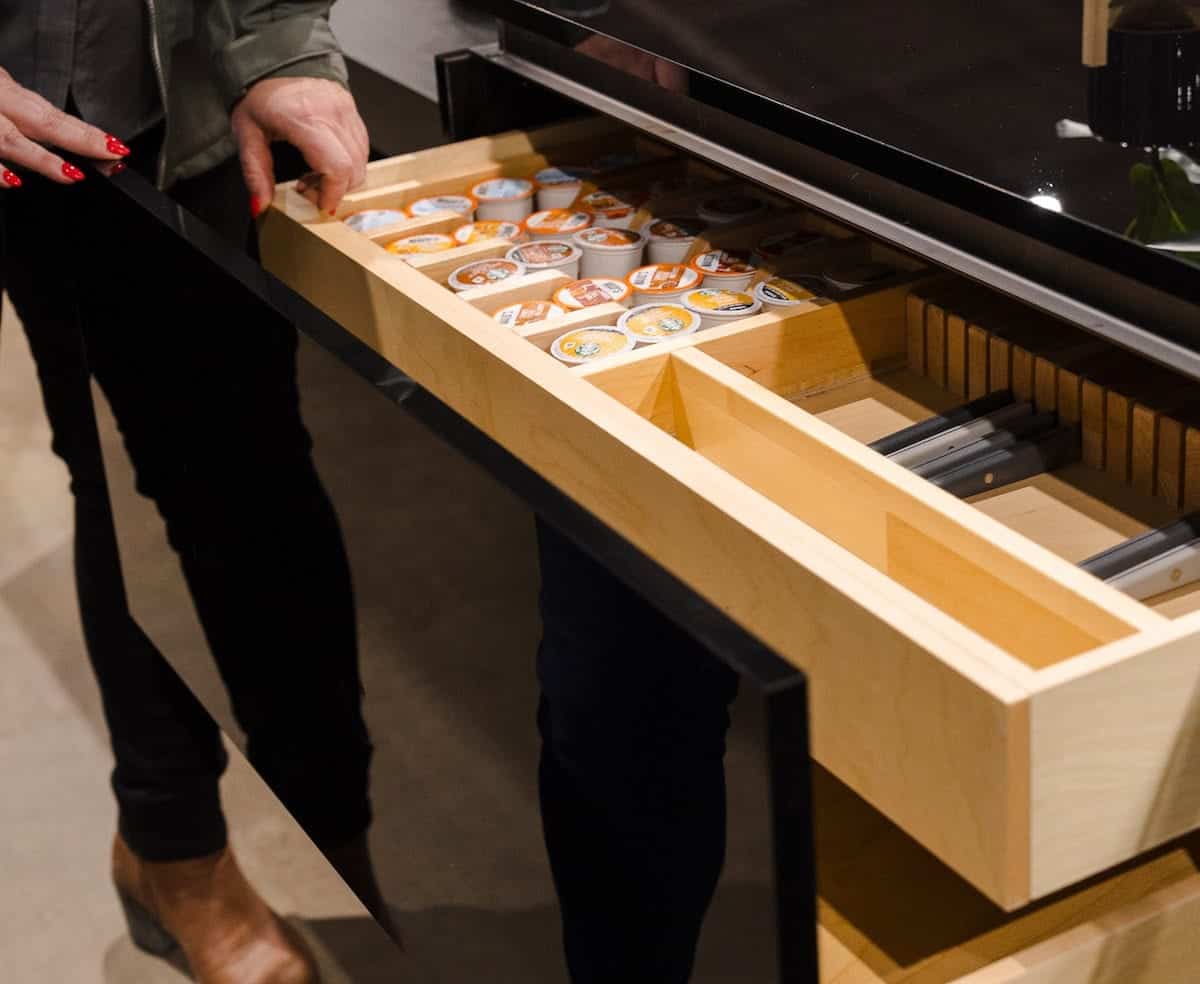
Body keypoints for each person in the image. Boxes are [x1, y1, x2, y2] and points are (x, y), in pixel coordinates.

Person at [0, 2, 386, 981]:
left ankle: (338, 835)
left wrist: (277, 43)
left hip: (184, 94)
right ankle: (177, 852)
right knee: (116, 483)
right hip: (27, 138)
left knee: (262, 485)